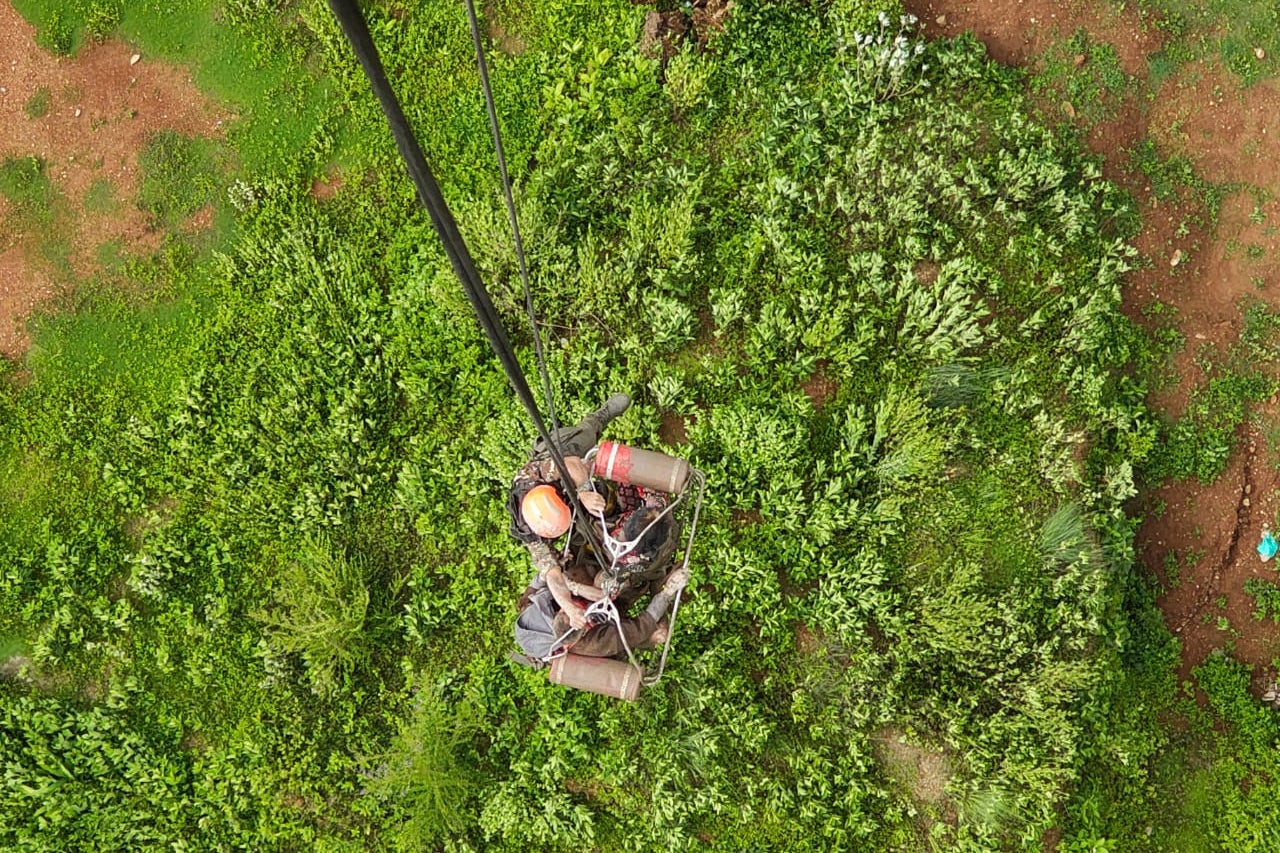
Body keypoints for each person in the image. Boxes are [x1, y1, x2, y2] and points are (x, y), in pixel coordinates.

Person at [507, 394, 631, 631]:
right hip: (564, 500)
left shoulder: (540, 474)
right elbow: (552, 575)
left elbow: (571, 462)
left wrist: (583, 492)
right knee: (592, 514)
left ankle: (599, 416)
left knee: (583, 439)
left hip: (560, 452)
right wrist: (570, 607)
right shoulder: (532, 532)